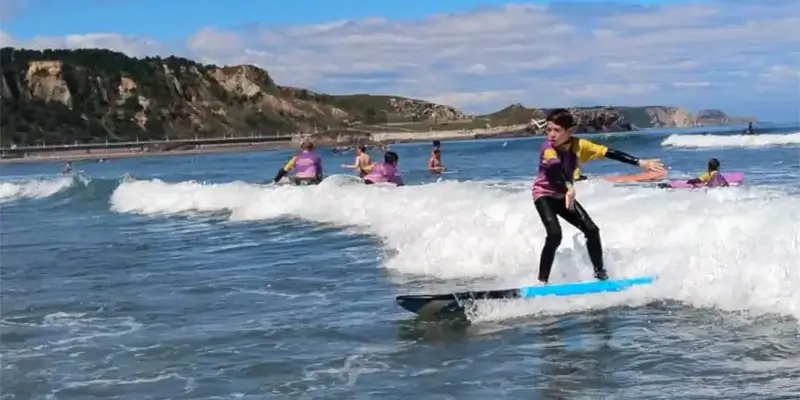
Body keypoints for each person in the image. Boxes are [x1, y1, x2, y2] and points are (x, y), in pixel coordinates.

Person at [533, 108, 665, 284]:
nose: (551, 134)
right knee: (555, 234)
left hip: (565, 195)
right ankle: (542, 281)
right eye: (548, 129)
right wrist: (569, 187)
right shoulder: (547, 148)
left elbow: (608, 152)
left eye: (556, 130)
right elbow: (555, 168)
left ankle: (600, 275)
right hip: (544, 195)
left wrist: (639, 162)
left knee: (592, 230)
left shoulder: (580, 146)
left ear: (569, 131)